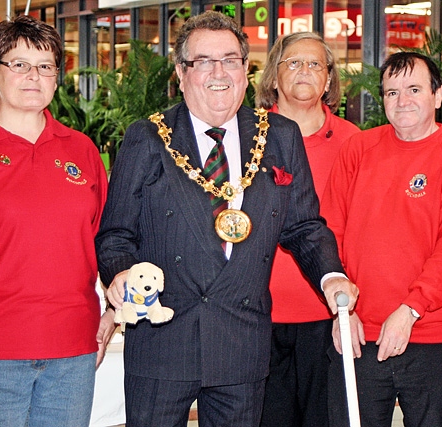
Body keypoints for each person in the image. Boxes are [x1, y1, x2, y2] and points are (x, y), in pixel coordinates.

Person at [95, 11, 358, 427]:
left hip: (242, 343)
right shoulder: (147, 137)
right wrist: (120, 273)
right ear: (182, 73)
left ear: (245, 69)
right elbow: (115, 234)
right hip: (163, 340)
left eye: (231, 60)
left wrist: (331, 276)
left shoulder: (279, 135)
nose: (219, 73)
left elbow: (305, 226)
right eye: (204, 61)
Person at [322, 51, 442, 427]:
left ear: (438, 95)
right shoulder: (358, 150)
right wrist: (342, 310)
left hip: (432, 338)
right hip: (357, 336)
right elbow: (331, 233)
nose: (402, 100)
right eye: (392, 92)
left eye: (414, 89)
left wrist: (411, 308)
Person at [0, 15, 115, 427]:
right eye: (18, 64)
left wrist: (112, 311)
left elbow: (106, 238)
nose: (32, 76)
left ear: (57, 77)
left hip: (73, 347)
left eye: (45, 66)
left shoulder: (82, 150)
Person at [255, 32, 360, 427]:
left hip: (327, 316)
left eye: (315, 64)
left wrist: (352, 311)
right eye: (293, 62)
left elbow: (361, 232)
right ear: (274, 76)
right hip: (258, 317)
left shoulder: (355, 143)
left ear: (330, 79)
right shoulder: (247, 137)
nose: (304, 71)